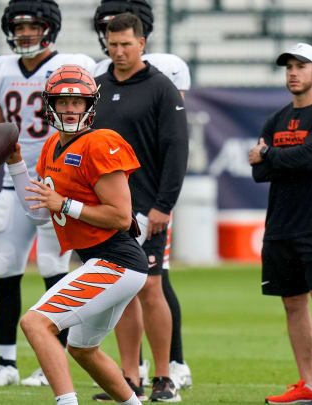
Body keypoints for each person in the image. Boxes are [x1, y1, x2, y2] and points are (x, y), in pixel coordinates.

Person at [9, 63, 147, 405]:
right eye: (63, 102)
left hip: (117, 260)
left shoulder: (101, 142)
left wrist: (66, 204)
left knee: (36, 324)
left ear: (90, 105)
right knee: (83, 350)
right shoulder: (51, 145)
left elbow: (120, 216)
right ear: (50, 104)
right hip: (102, 260)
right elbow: (40, 211)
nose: (70, 109)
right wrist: (14, 164)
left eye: (77, 102)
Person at [0, 0, 97, 387]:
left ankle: (52, 361)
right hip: (14, 183)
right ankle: (5, 361)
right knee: (5, 266)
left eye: (34, 26)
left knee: (52, 268)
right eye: (19, 26)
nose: (25, 33)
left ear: (51, 28)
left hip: (54, 185)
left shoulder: (69, 67)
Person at [92, 0, 192, 395]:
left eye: (126, 44)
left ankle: (165, 376)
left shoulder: (161, 88)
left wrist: (163, 206)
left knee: (151, 287)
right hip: (107, 211)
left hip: (148, 208)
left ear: (142, 43)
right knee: (120, 289)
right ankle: (129, 377)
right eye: (113, 44)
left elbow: (176, 150)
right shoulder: (97, 87)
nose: (118, 51)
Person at [247, 43, 312, 405]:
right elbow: (259, 171)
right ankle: (309, 385)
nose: (293, 73)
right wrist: (286, 159)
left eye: (301, 66)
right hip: (280, 226)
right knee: (293, 303)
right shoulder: (276, 119)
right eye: (289, 67)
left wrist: (271, 154)